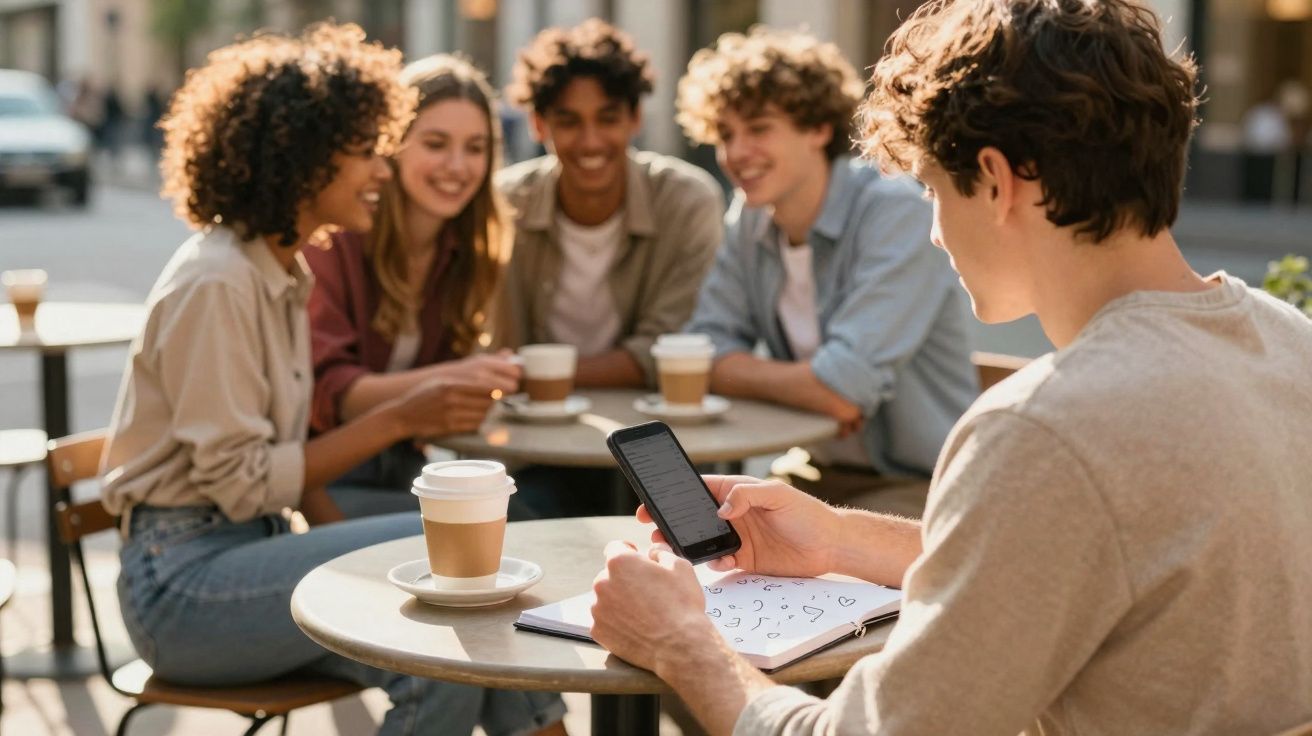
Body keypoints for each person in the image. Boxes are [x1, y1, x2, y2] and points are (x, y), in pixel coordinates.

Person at [588, 1, 1312, 734]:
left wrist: (683, 641)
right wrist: (840, 539)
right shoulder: (1291, 343)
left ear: (998, 180)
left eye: (933, 188)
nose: (933, 230)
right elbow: (1100, 556)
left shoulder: (1044, 429)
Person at [99, 24, 566, 736]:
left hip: (247, 552)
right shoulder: (219, 282)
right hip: (183, 587)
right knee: (442, 622)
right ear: (303, 158)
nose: (383, 171)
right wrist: (401, 417)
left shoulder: (280, 270)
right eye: (364, 152)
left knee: (470, 608)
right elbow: (244, 483)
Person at [677, 27, 976, 517]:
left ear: (817, 128)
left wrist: (755, 375)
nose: (735, 153)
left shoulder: (894, 212)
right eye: (725, 134)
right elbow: (704, 350)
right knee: (702, 539)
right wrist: (810, 388)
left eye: (758, 128)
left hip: (920, 485)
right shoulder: (751, 217)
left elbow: (843, 389)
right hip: (814, 472)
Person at [495, 19, 725, 517]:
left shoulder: (685, 200)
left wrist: (535, 373)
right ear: (538, 124)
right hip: (537, 445)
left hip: (657, 440)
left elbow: (665, 348)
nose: (591, 140)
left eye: (608, 117)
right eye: (569, 121)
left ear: (635, 118)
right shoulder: (505, 203)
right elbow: (491, 344)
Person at [304, 54, 521, 519]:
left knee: (534, 520)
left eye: (476, 148)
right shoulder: (334, 236)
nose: (458, 166)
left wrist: (481, 380)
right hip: (323, 479)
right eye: (436, 143)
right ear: (391, 146)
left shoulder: (466, 249)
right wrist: (455, 377)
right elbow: (329, 395)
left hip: (406, 469)